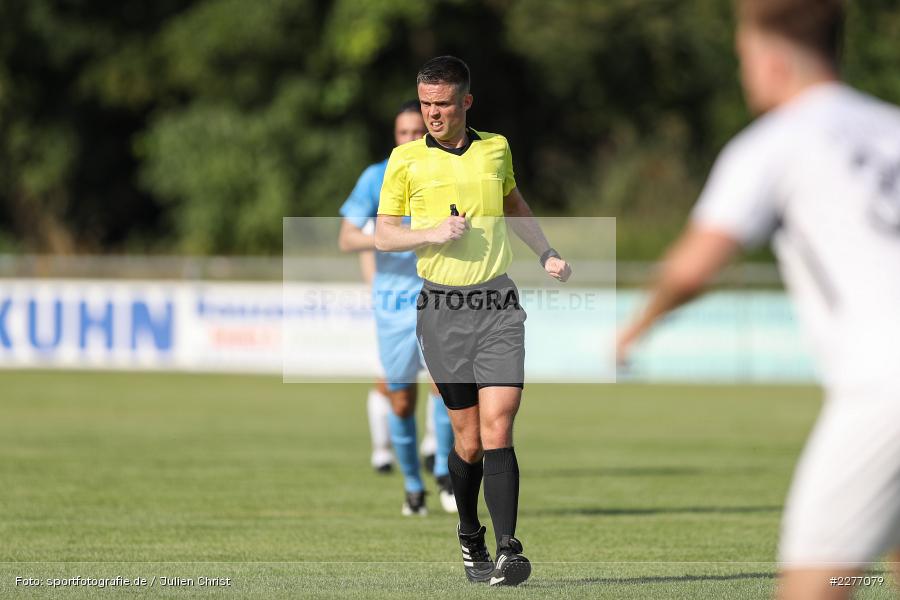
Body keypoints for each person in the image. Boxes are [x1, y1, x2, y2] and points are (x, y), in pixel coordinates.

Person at [616, 1, 900, 598]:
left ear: (772, 61)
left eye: (742, 56)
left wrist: (635, 325)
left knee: (815, 582)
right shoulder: (889, 126)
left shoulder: (776, 142)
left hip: (886, 385)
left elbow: (694, 265)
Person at [375, 56, 571, 587]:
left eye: (442, 104)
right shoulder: (404, 160)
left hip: (498, 304)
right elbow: (384, 234)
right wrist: (430, 233)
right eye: (425, 104)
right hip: (441, 308)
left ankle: (509, 549)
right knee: (467, 443)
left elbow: (513, 203)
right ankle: (470, 534)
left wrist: (546, 252)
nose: (432, 114)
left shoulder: (496, 147)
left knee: (499, 424)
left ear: (465, 102)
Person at [339, 100, 457, 516]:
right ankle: (412, 485)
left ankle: (445, 474)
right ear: (394, 136)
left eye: (415, 131)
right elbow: (346, 237)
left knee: (446, 390)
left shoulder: (445, 168)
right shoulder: (377, 177)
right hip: (394, 303)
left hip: (442, 296)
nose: (409, 138)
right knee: (401, 400)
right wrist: (398, 235)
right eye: (402, 133)